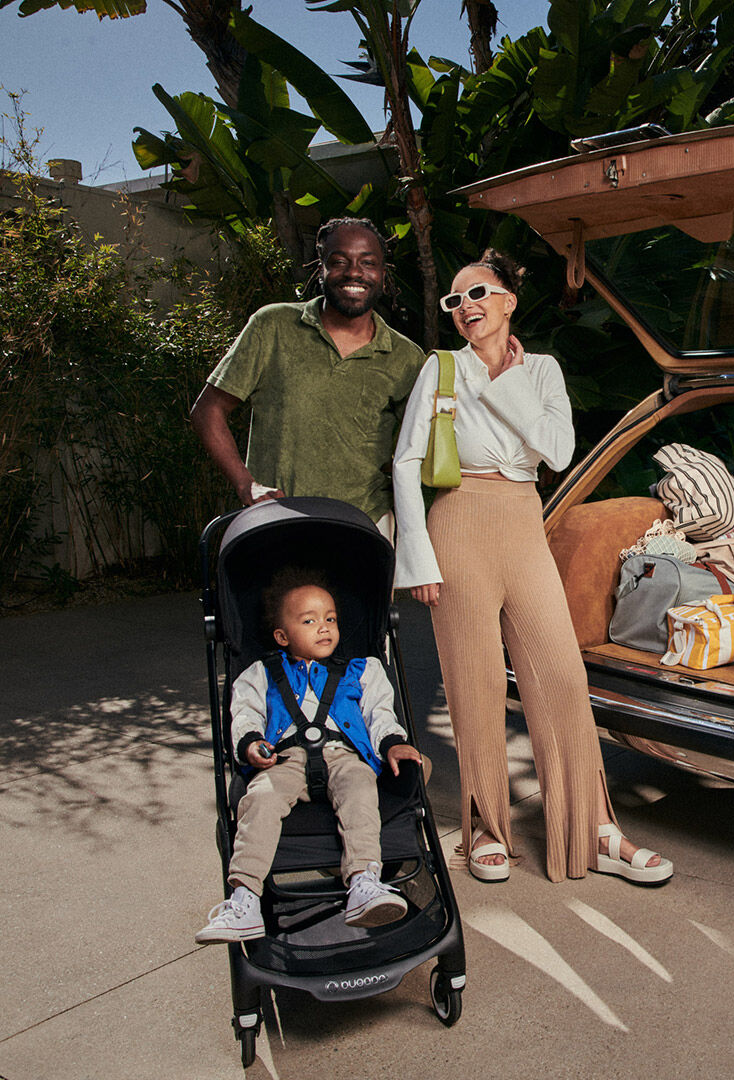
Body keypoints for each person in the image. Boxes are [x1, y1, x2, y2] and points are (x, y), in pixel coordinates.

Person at [392, 251, 673, 886]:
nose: (466, 307)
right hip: (457, 518)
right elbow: (408, 462)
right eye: (455, 301)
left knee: (563, 678)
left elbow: (558, 450)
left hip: (523, 518)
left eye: (479, 294)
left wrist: (507, 380)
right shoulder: (440, 371)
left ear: (509, 301)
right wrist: (417, 557)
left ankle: (595, 831)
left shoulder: (542, 371)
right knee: (476, 682)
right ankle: (488, 829)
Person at [196, 569, 423, 942]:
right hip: (283, 760)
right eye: (309, 620)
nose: (324, 627)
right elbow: (246, 713)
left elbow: (379, 714)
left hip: (344, 754)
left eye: (330, 618)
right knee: (260, 799)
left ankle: (365, 882)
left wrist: (392, 742)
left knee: (362, 789)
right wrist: (251, 743)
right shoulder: (261, 673)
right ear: (282, 636)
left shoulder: (362, 670)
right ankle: (245, 898)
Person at [190, 218, 425, 537]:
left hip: (366, 524)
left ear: (383, 275)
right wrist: (248, 486)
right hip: (278, 518)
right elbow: (208, 410)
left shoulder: (406, 357)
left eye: (368, 263)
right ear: (321, 269)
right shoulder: (272, 326)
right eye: (339, 261)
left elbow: (419, 447)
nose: (354, 272)